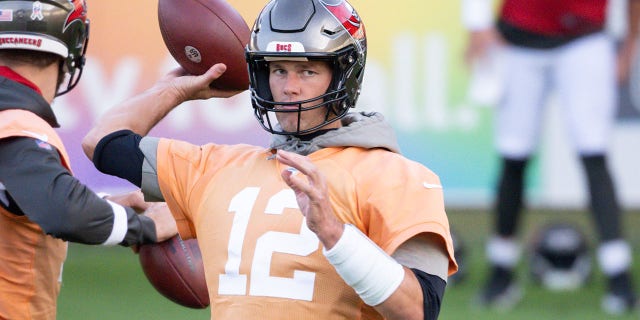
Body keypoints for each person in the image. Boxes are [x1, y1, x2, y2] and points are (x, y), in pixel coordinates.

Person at [82, 0, 458, 319]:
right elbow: (103, 143)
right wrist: (173, 90)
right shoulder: (216, 168)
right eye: (278, 70)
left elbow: (420, 309)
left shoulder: (398, 176)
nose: (289, 87)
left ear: (344, 75)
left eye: (307, 70)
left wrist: (336, 235)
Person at [0, 1, 177, 319]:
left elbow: (23, 195)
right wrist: (145, 226)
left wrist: (103, 205)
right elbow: (63, 209)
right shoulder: (16, 123)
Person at [461, 0, 640, 314]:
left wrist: (629, 47)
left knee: (593, 153)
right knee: (513, 155)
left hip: (585, 39)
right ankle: (501, 271)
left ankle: (619, 274)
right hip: (517, 41)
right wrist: (477, 22)